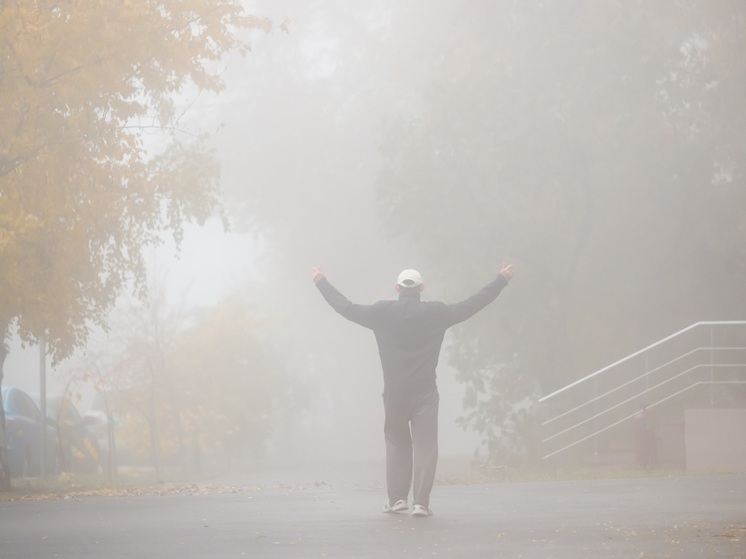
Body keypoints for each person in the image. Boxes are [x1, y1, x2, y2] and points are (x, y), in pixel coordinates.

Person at [312, 263, 514, 517]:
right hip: (425, 392)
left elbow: (346, 308)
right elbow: (472, 304)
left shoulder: (381, 312)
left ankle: (397, 500)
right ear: (421, 288)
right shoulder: (436, 312)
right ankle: (420, 503)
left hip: (395, 392)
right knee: (426, 447)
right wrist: (500, 281)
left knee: (397, 443)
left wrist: (322, 282)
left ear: (397, 288)